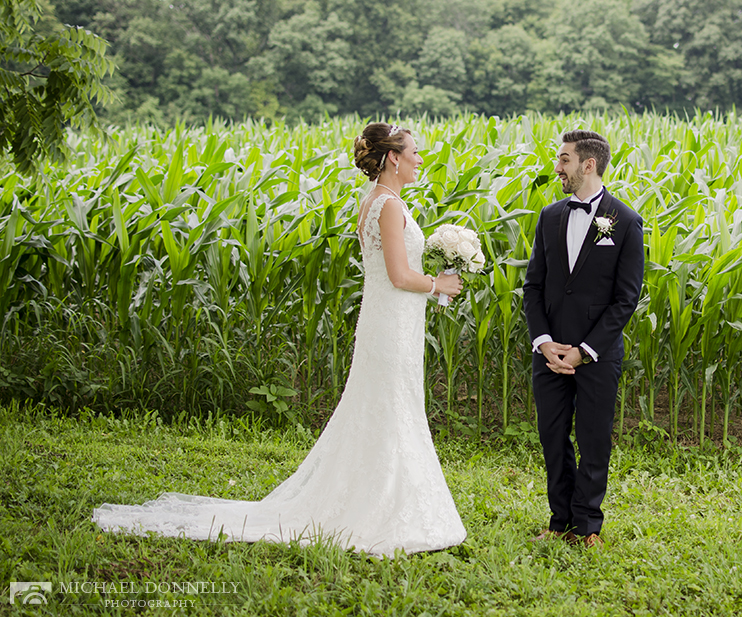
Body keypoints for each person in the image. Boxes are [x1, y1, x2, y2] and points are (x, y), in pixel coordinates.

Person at [93, 122, 467, 557]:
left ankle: (382, 495)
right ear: (394, 159)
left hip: (390, 322)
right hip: (390, 324)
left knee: (388, 405)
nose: (421, 159)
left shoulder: (376, 202)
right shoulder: (386, 206)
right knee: (391, 405)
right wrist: (437, 284)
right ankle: (381, 509)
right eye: (415, 152)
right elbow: (400, 275)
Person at [523, 129, 644, 547]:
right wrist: (543, 341)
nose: (557, 168)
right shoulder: (549, 216)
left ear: (587, 165)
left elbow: (626, 299)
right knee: (552, 438)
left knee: (593, 440)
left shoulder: (626, 221)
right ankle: (559, 523)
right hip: (550, 352)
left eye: (563, 160)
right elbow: (533, 287)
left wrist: (584, 352)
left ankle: (587, 526)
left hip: (597, 353)